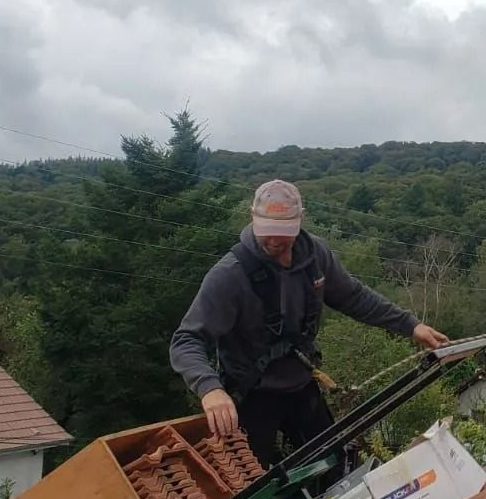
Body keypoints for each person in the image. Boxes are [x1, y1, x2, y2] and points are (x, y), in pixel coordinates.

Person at [170, 178, 448, 465]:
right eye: (268, 232)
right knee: (256, 486)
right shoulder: (230, 275)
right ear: (253, 217)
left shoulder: (315, 256)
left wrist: (410, 325)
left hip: (300, 384)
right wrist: (210, 388)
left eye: (284, 232)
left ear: (300, 221)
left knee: (333, 464)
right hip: (251, 394)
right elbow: (186, 341)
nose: (275, 240)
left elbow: (354, 297)